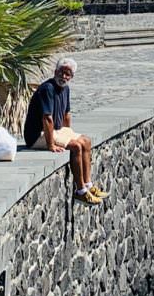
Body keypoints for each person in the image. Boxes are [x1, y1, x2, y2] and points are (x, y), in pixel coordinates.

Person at [25, 57, 103, 204]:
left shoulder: (66, 88)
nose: (64, 76)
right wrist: (51, 145)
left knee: (85, 141)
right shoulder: (47, 89)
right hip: (38, 135)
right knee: (75, 146)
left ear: (71, 76)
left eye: (68, 74)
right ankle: (80, 191)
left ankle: (88, 185)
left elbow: (66, 114)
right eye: (61, 72)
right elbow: (47, 119)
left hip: (56, 130)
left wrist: (69, 133)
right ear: (55, 72)